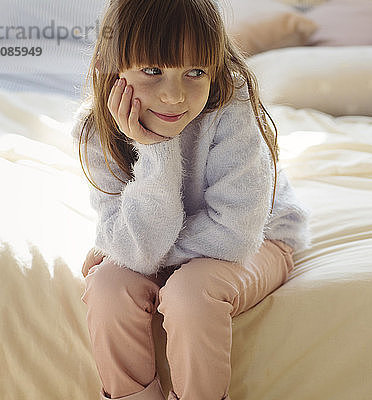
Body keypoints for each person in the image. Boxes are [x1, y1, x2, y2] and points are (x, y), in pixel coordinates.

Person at [71, 0, 311, 399]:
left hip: (261, 240)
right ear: (109, 65)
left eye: (195, 72)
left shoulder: (230, 110)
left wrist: (132, 250)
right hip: (179, 242)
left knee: (189, 294)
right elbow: (133, 250)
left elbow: (234, 236)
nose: (174, 96)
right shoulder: (95, 130)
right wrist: (154, 151)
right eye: (152, 71)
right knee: (108, 287)